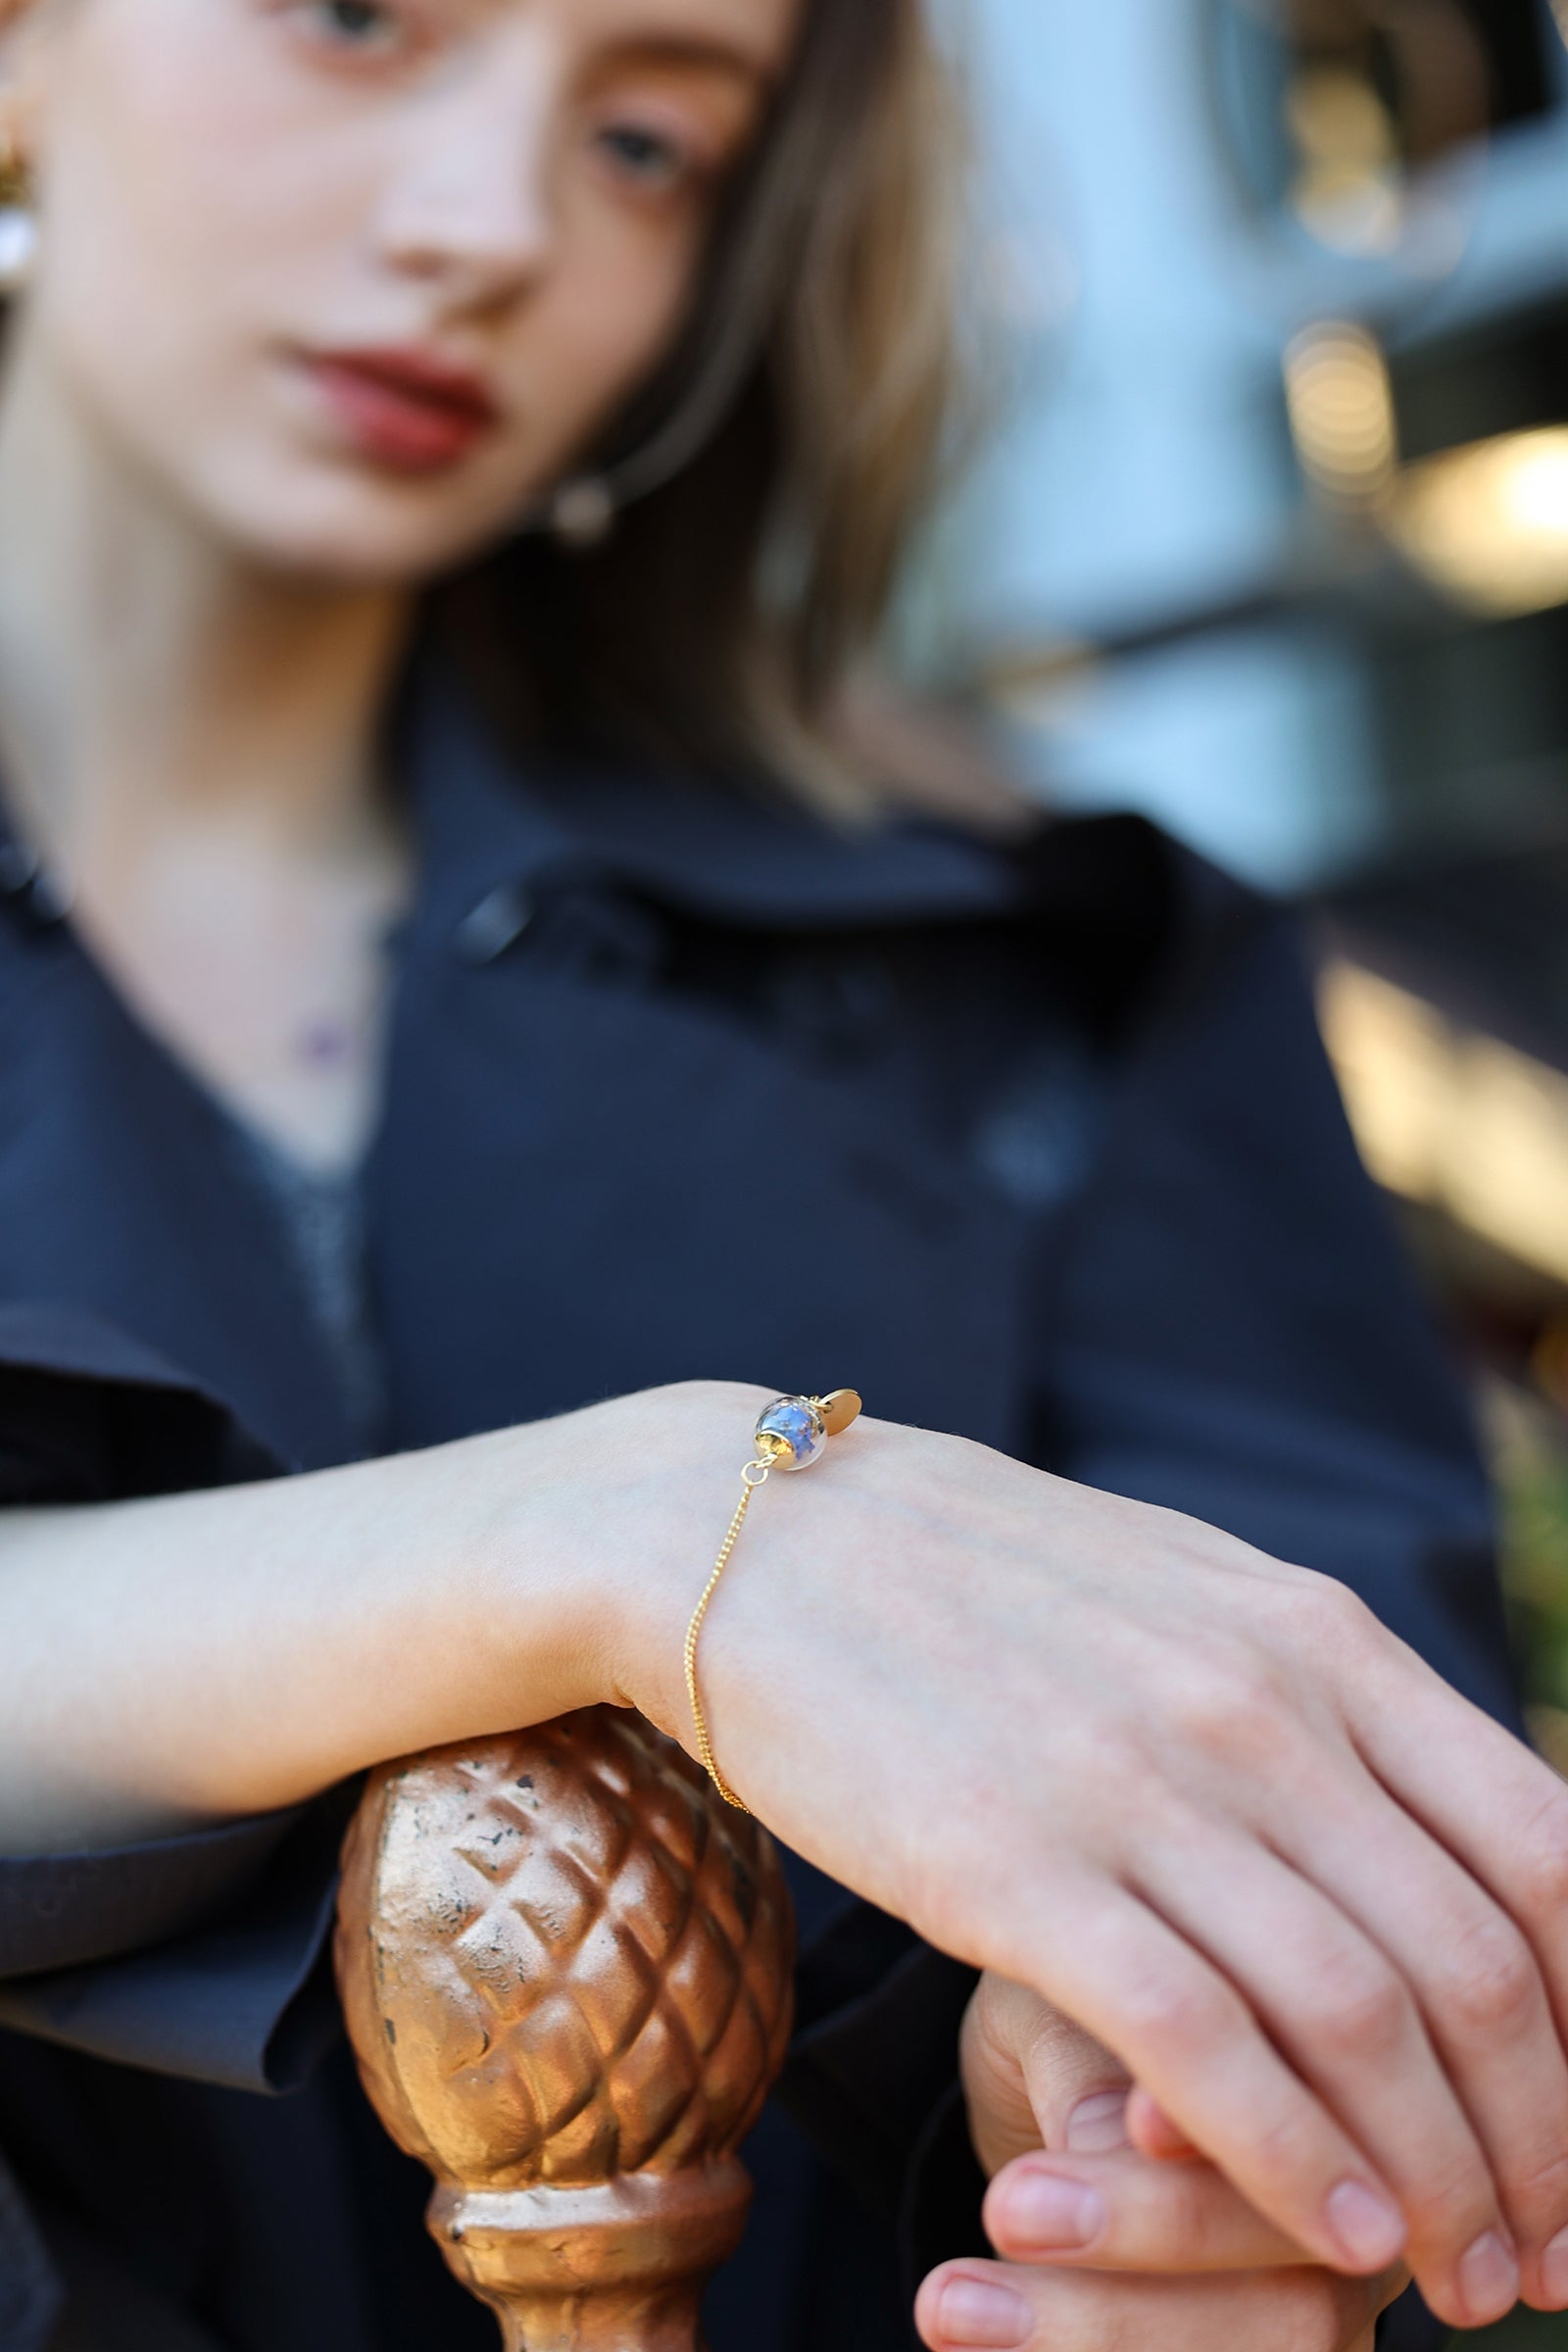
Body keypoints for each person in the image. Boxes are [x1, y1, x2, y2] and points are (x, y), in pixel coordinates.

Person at [0, 0, 1562, 2346]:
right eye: (354, 22)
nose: (489, 227)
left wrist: (1147, 2115)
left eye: (648, 137)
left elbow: (1346, 1804)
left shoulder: (1058, 978)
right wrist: (624, 1537)